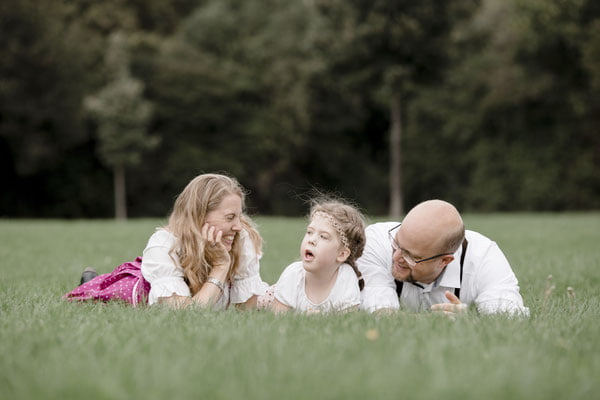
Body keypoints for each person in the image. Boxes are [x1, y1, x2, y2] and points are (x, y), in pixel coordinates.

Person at [64, 173, 268, 309]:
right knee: (97, 295)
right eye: (230, 217)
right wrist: (221, 266)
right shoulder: (164, 245)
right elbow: (186, 315)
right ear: (199, 216)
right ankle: (91, 281)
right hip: (136, 288)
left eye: (239, 216)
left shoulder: (242, 239)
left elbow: (249, 306)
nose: (238, 226)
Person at [357, 199, 529, 316]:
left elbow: (508, 318)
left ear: (445, 260)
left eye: (410, 256)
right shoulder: (375, 241)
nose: (396, 256)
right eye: (396, 244)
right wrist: (434, 321)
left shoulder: (484, 257)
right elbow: (379, 313)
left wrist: (467, 322)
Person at [265, 199, 367, 314]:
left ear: (342, 254)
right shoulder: (292, 275)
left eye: (323, 236)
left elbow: (347, 322)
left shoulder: (345, 279)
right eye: (309, 232)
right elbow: (277, 319)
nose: (312, 240)